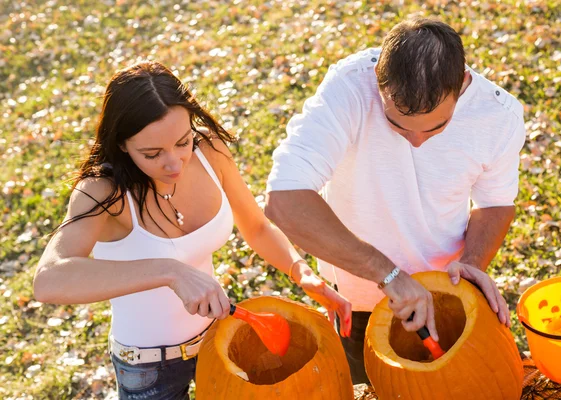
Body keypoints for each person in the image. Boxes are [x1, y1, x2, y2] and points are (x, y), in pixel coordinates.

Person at [33, 61, 351, 399]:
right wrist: (169, 272)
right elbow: (49, 280)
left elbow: (256, 227)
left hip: (221, 344)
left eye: (182, 142)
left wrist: (301, 272)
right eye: (152, 153)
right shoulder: (102, 191)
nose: (174, 163)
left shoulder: (210, 150)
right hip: (148, 370)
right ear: (123, 144)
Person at [265, 17, 525, 384]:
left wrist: (473, 263)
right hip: (356, 293)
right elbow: (283, 200)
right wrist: (387, 274)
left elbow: (494, 203)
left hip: (446, 291)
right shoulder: (349, 88)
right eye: (398, 124)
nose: (415, 142)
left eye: (436, 127)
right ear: (379, 84)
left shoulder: (499, 115)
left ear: (462, 84)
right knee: (363, 383)